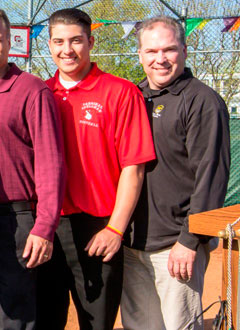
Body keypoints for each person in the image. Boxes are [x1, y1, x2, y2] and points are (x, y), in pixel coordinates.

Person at [40, 8, 156, 329]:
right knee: (45, 319)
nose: (67, 50)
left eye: (76, 40)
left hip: (99, 229)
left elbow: (134, 168)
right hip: (48, 227)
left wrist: (115, 229)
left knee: (97, 322)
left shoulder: (120, 92)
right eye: (59, 41)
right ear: (48, 45)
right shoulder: (40, 94)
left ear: (90, 41)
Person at [0, 6, 65, 329]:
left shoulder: (32, 90)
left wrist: (45, 226)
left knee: (13, 318)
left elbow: (51, 163)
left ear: (10, 41)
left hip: (14, 222)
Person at [122, 16, 230, 330]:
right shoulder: (133, 97)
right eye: (151, 51)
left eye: (169, 50)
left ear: (184, 50)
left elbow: (211, 177)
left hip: (175, 246)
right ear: (140, 55)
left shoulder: (202, 101)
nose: (160, 59)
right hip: (132, 245)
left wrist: (189, 240)